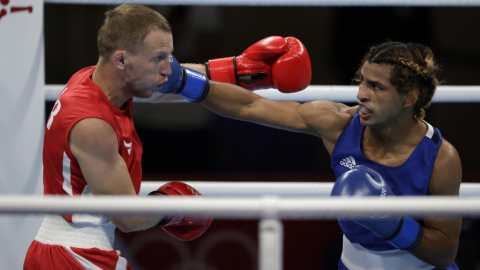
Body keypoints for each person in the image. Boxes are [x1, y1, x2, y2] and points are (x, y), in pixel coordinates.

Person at [167, 41, 461, 269]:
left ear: (409, 98)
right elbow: (250, 107)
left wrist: (393, 224)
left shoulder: (441, 157)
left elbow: (445, 251)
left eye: (376, 87)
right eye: (362, 81)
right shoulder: (338, 123)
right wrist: (184, 81)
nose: (361, 94)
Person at [22, 4, 221, 270]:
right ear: (121, 60)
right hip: (77, 255)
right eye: (158, 58)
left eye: (169, 57)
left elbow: (185, 78)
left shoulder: (89, 79)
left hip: (62, 250)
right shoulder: (92, 123)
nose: (168, 70)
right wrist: (172, 206)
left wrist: (235, 70)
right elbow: (127, 217)